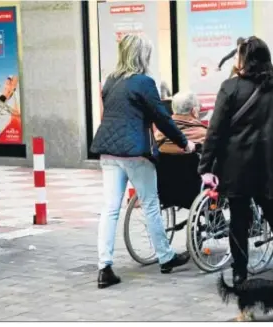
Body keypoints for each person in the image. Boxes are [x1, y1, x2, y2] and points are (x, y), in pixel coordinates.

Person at [198, 36, 273, 286]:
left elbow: (214, 131)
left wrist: (205, 167)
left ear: (244, 60)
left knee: (238, 219)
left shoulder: (230, 87)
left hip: (236, 166)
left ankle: (240, 272)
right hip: (270, 166)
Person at [90, 34, 195, 289]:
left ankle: (104, 267)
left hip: (108, 152)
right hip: (136, 153)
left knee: (110, 208)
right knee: (150, 203)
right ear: (141, 56)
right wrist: (185, 143)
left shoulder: (110, 81)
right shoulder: (144, 82)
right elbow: (163, 119)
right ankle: (165, 257)